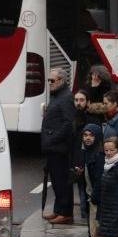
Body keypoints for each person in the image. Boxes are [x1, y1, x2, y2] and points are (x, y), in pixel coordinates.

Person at [40, 67, 76, 224]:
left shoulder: (67, 97)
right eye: (48, 80)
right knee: (55, 180)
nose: (49, 83)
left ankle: (66, 212)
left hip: (60, 148)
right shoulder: (57, 96)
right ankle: (58, 210)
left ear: (61, 81)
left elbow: (69, 124)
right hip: (53, 147)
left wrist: (53, 138)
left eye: (52, 80)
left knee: (62, 180)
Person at [72, 123, 106, 237]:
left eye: (91, 135)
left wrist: (94, 199)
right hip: (92, 197)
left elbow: (99, 180)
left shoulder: (98, 156)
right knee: (94, 232)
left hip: (97, 201)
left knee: (97, 233)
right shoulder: (88, 153)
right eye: (85, 135)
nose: (87, 138)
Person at [72, 89, 93, 220]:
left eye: (81, 100)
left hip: (88, 160)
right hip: (76, 159)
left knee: (88, 189)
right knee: (81, 188)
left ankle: (88, 214)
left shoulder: (91, 120)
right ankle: (85, 214)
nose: (78, 103)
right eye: (76, 100)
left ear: (88, 102)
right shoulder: (72, 118)